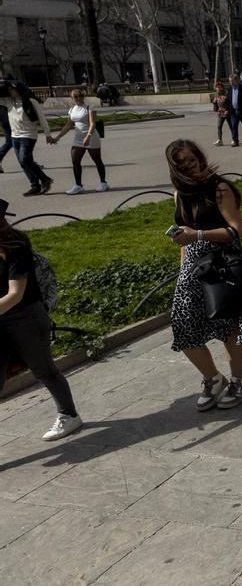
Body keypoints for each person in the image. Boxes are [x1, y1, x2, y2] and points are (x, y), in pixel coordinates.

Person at [165, 139, 242, 410]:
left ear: (200, 157)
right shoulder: (179, 193)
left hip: (223, 262)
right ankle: (213, 378)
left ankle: (238, 381)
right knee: (182, 323)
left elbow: (236, 229)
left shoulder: (219, 189)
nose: (188, 166)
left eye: (191, 160)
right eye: (181, 164)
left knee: (229, 324)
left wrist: (197, 234)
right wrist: (182, 267)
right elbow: (184, 236)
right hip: (192, 265)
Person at [0, 198, 83, 440]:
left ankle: (69, 415)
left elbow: (15, 294)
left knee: (44, 370)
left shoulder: (16, 244)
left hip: (25, 318)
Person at [0, 79, 54, 196]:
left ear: (18, 89)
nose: (10, 91)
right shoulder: (8, 101)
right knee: (23, 162)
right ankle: (35, 185)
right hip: (15, 136)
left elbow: (42, 118)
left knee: (25, 159)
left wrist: (47, 134)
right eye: (8, 90)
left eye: (12, 89)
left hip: (28, 135)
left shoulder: (30, 101)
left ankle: (45, 179)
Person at [50, 89, 108, 194]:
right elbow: (68, 125)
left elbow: (93, 124)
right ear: (72, 98)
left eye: (80, 96)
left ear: (83, 97)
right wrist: (57, 138)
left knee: (97, 160)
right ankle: (78, 185)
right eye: (75, 97)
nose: (78, 98)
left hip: (91, 137)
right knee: (75, 161)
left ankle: (103, 183)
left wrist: (88, 136)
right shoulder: (72, 109)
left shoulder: (89, 108)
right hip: (78, 139)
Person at [211, 79, 232, 145]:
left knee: (231, 126)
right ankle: (220, 140)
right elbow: (216, 106)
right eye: (217, 87)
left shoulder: (226, 93)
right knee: (219, 126)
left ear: (222, 87)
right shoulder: (216, 95)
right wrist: (214, 103)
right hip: (220, 113)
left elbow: (230, 103)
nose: (218, 88)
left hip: (227, 112)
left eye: (219, 87)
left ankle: (234, 138)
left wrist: (228, 110)